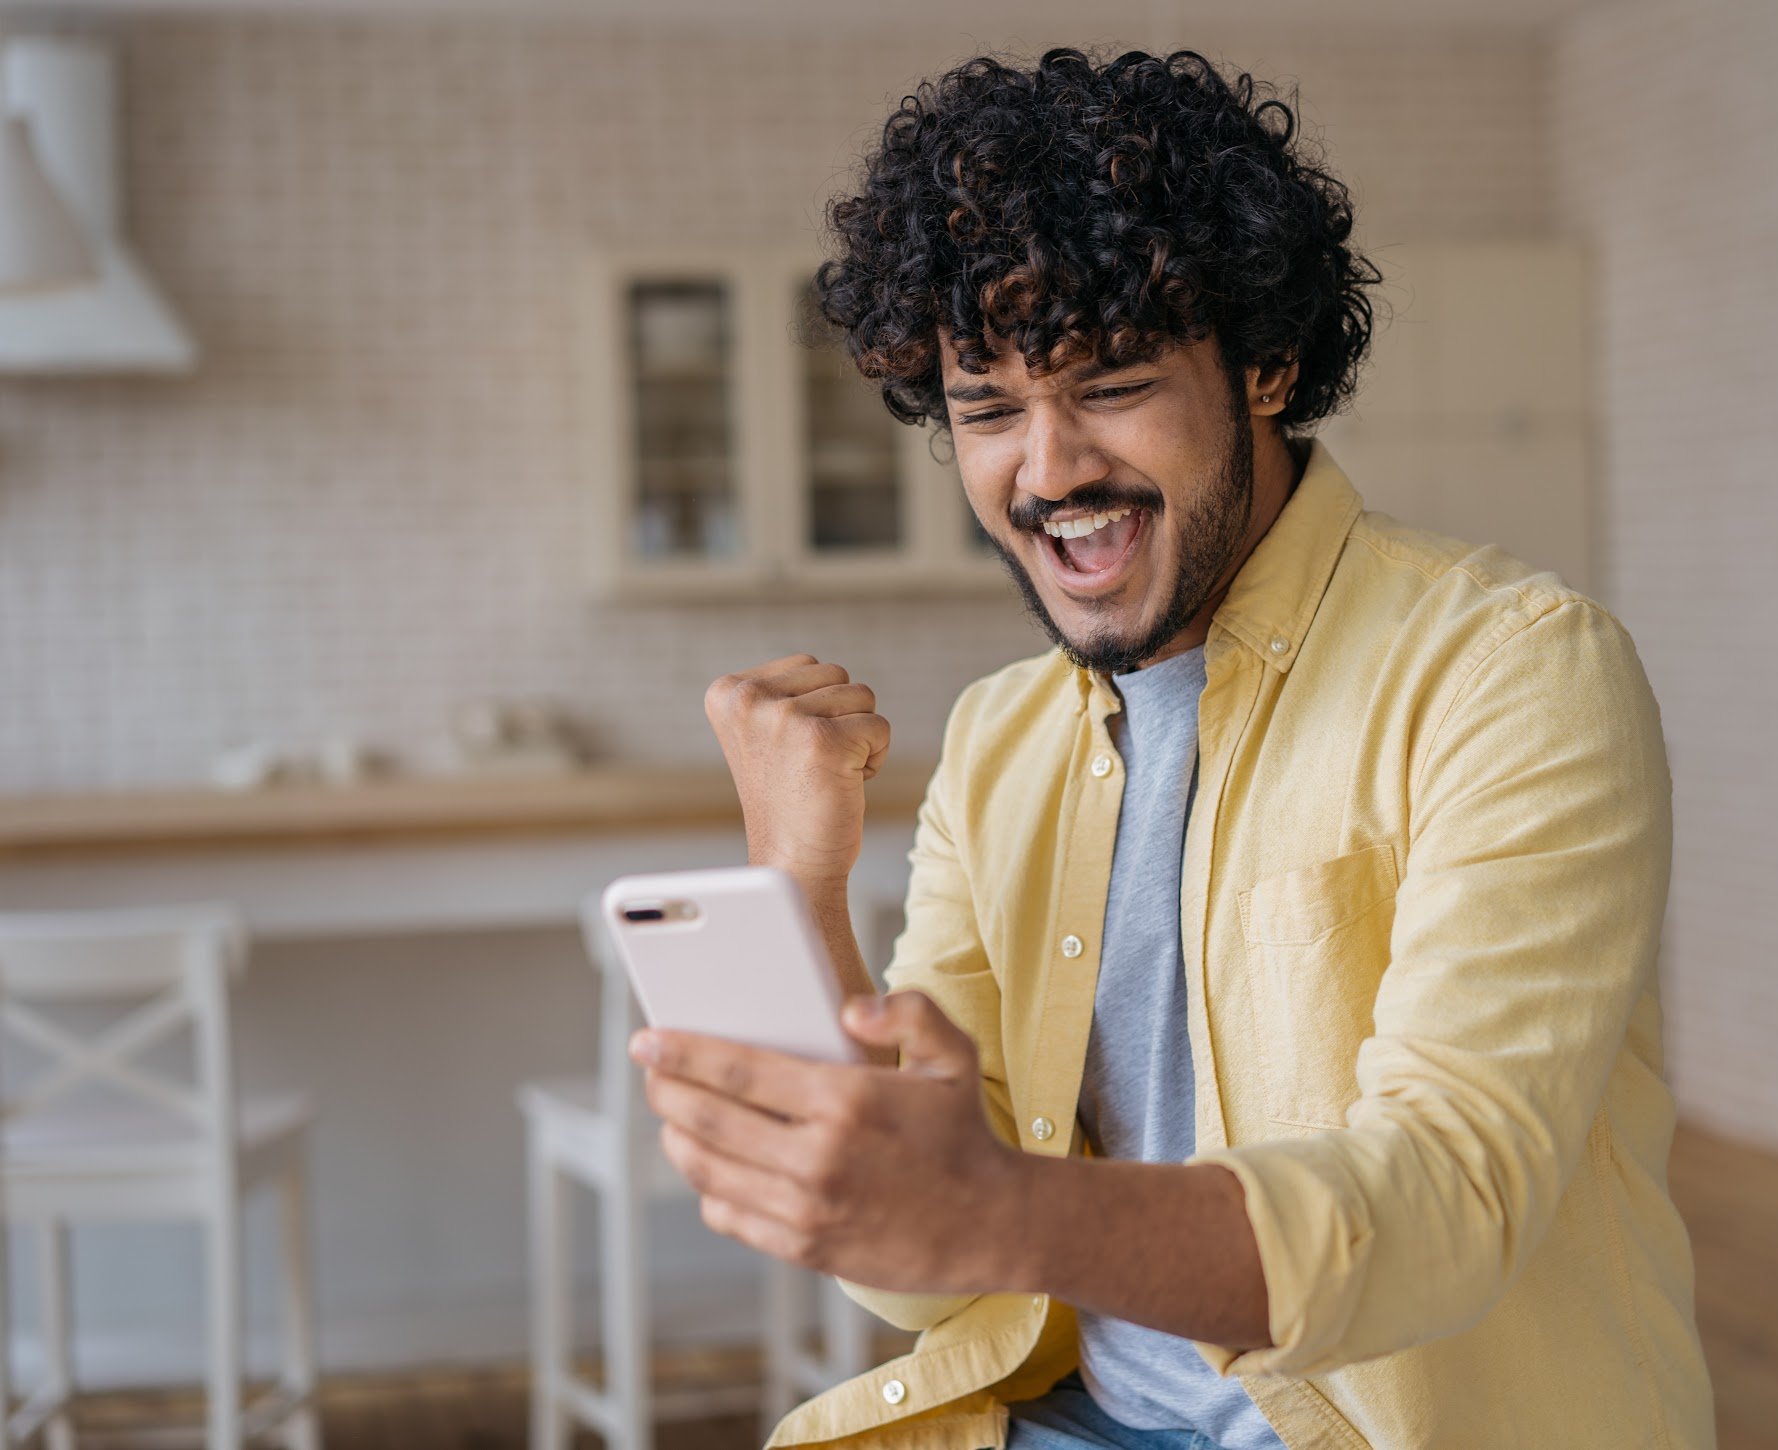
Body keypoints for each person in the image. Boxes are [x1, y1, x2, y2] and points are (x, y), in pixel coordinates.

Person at [631, 47, 1716, 1450]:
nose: (1048, 467)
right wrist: (799, 888)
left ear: (1264, 363)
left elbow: (1446, 1205)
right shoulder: (999, 738)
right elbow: (920, 1269)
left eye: (1112, 383)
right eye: (988, 408)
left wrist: (1002, 1204)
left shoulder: (1510, 668)